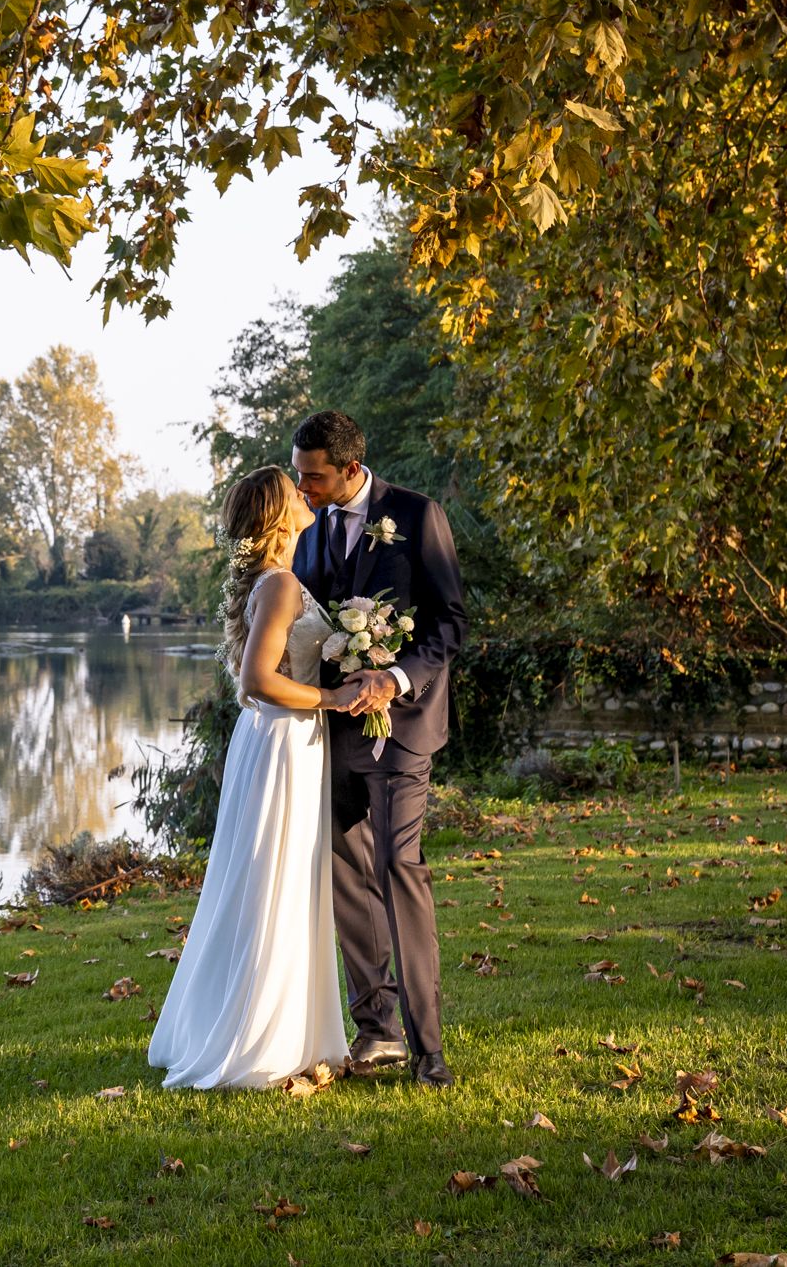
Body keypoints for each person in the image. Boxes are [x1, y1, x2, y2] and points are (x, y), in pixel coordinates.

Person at [146, 466, 363, 1089]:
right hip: (283, 742)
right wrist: (333, 699)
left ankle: (290, 1030)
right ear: (277, 515)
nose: (304, 491)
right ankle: (256, 1038)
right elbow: (258, 681)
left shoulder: (280, 580)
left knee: (278, 878)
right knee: (274, 879)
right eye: (294, 492)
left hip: (286, 739)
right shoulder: (280, 585)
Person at [289, 409, 469, 1088]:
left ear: (351, 468)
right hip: (331, 732)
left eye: (313, 477)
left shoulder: (418, 516)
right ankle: (377, 1030)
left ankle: (430, 1051)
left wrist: (392, 679)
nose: (302, 488)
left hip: (403, 727)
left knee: (397, 865)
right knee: (345, 874)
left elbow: (449, 624)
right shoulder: (308, 532)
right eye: (298, 475)